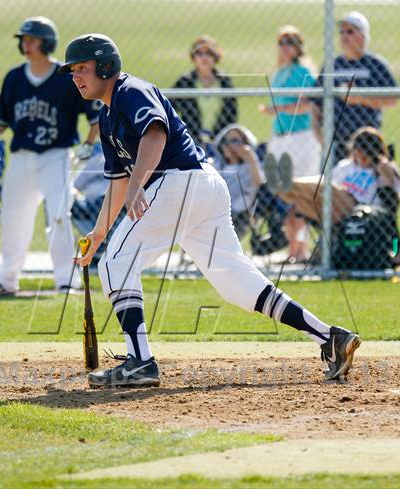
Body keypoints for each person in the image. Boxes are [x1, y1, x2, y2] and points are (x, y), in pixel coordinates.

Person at [62, 33, 361, 388]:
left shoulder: (131, 91)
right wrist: (99, 233)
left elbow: (154, 134)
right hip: (200, 189)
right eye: (73, 71)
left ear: (106, 66)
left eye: (83, 68)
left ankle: (140, 361)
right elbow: (118, 183)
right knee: (237, 284)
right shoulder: (108, 117)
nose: (77, 76)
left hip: (177, 183)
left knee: (116, 264)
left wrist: (140, 182)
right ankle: (330, 338)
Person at [0, 17, 100, 298]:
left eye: (31, 40)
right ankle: (6, 279)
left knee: (59, 216)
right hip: (22, 156)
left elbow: (95, 117)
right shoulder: (14, 77)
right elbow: (3, 120)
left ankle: (66, 280)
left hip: (56, 155)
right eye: (23, 40)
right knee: (13, 218)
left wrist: (88, 143)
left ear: (46, 43)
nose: (25, 45)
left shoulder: (66, 77)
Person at [259, 25, 320, 261]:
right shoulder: (280, 71)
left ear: (298, 47)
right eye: (281, 42)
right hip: (281, 135)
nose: (284, 48)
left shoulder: (303, 71)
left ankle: (300, 248)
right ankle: (293, 246)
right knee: (283, 190)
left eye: (290, 42)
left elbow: (309, 103)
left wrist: (279, 108)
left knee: (300, 190)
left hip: (301, 135)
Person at [264, 127, 400, 225]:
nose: (360, 156)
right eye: (357, 151)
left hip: (357, 206)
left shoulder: (384, 168)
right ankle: (282, 185)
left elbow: (395, 199)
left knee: (326, 187)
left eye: (365, 153)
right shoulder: (346, 165)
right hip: (332, 207)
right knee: (295, 198)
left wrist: (385, 172)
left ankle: (286, 182)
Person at [312, 11, 397, 164]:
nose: (344, 36)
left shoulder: (375, 64)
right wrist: (319, 135)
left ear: (363, 36)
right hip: (335, 140)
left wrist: (360, 99)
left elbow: (392, 99)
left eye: (350, 31)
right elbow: (316, 104)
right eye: (342, 32)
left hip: (367, 143)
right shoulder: (332, 65)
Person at [171, 35, 238, 145]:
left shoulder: (224, 81)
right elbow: (170, 109)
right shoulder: (185, 81)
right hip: (190, 138)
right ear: (194, 56)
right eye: (199, 53)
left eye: (209, 53)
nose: (204, 57)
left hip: (220, 139)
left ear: (215, 56)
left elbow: (232, 114)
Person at [213, 124, 264, 238]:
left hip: (241, 214)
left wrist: (251, 160)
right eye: (225, 141)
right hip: (216, 211)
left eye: (235, 141)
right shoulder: (217, 165)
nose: (229, 145)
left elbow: (260, 184)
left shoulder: (250, 166)